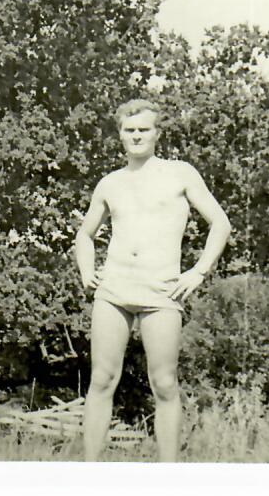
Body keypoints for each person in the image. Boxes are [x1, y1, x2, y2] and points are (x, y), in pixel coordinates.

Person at [75, 98, 231, 462]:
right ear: (120, 134)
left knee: (164, 383)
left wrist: (199, 271)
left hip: (161, 291)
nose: (136, 136)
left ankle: (168, 476)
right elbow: (85, 234)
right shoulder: (110, 183)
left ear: (157, 133)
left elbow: (220, 223)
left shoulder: (180, 173)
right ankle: (89, 475)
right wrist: (86, 271)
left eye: (143, 129)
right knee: (101, 380)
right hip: (114, 289)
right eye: (129, 130)